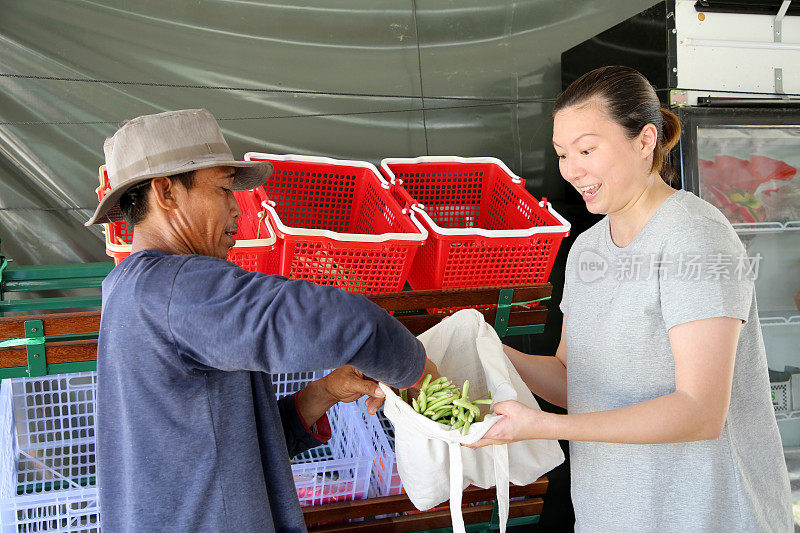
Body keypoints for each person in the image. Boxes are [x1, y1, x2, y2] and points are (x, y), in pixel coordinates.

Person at [469, 67, 792, 531]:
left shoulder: (694, 238)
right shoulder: (587, 249)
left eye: (587, 149)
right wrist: (487, 351)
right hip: (615, 513)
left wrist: (546, 427)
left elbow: (700, 412)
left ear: (644, 141)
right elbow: (573, 379)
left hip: (704, 514)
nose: (572, 169)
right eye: (563, 154)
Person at [86, 108, 437, 532]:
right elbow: (344, 319)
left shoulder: (128, 289)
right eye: (222, 189)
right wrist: (418, 370)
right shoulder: (178, 288)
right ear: (166, 193)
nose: (237, 208)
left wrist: (325, 391)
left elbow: (228, 448)